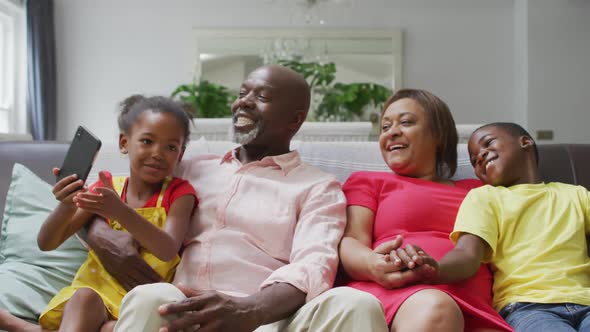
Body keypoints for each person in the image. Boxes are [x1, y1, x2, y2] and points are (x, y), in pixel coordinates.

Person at [82, 65, 389, 332]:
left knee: (356, 304)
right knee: (150, 296)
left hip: (271, 318)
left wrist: (248, 310)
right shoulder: (189, 167)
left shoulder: (318, 187)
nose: (244, 102)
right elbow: (121, 196)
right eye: (243, 93)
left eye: (262, 97)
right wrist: (100, 234)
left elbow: (313, 265)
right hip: (184, 309)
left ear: (294, 120)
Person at [0, 96, 198, 332]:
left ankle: (21, 326)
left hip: (138, 300)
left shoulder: (180, 193)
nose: (158, 153)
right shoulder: (106, 189)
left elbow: (167, 249)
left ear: (181, 154)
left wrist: (121, 211)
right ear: (124, 143)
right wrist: (66, 204)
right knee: (84, 299)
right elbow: (47, 242)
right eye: (147, 141)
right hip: (93, 292)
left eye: (171, 147)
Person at [338, 89, 513, 331]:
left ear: (438, 134)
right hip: (399, 296)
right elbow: (352, 240)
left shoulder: (479, 190)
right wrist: (373, 265)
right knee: (437, 310)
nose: (392, 132)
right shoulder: (368, 181)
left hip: (474, 307)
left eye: (406, 122)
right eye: (385, 126)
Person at [411, 122, 590, 332]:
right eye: (474, 159)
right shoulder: (484, 198)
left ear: (525, 143)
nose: (480, 157)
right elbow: (467, 254)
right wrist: (437, 269)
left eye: (488, 143)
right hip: (529, 307)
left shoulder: (574, 194)